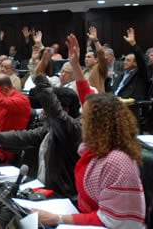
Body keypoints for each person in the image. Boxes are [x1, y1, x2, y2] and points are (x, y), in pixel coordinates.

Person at [0, 35, 83, 198]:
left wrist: (41, 72)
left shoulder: (70, 129)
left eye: (46, 109)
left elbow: (53, 109)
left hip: (62, 196)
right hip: (43, 187)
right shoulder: (49, 129)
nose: (43, 112)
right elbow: (23, 136)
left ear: (64, 110)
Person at [34, 93, 146, 229]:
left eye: (86, 118)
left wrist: (58, 218)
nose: (81, 122)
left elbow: (114, 221)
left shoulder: (117, 161)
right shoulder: (95, 149)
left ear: (100, 124)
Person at [84, 26, 108, 93]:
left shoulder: (100, 69)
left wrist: (95, 41)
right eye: (85, 57)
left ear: (96, 60)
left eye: (89, 57)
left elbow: (101, 55)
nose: (86, 59)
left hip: (96, 99)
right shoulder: (84, 71)